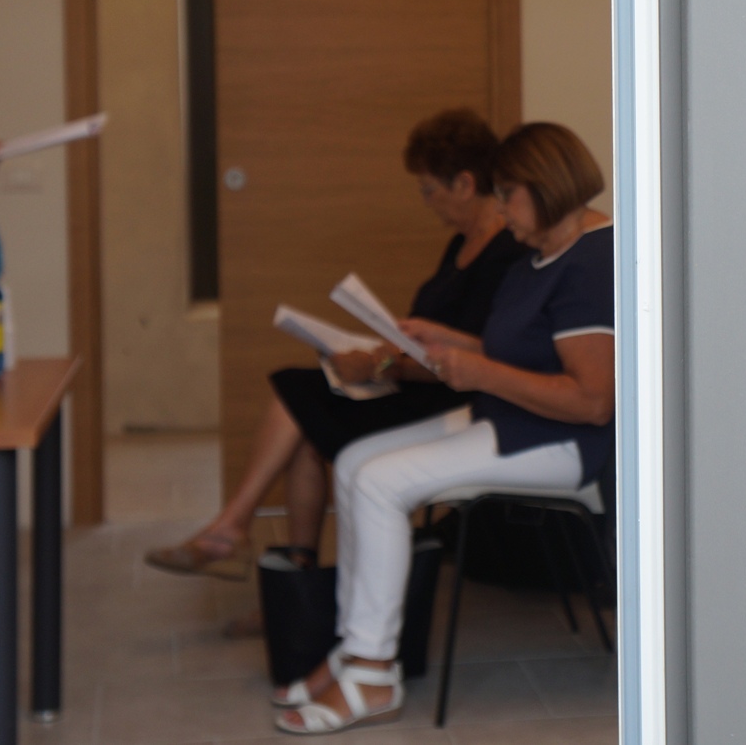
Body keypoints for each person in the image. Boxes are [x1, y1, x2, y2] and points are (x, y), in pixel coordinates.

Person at [274, 122, 614, 734]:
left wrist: (480, 370)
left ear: (545, 187)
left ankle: (373, 674)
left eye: (507, 194)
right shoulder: (541, 252)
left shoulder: (593, 261)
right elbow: (520, 350)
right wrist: (448, 341)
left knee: (379, 483)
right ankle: (354, 647)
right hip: (514, 416)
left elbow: (593, 402)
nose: (500, 209)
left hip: (563, 442)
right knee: (352, 463)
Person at [142, 110, 526, 629]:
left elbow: (473, 357)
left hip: (453, 399)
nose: (426, 201)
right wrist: (376, 357)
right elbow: (419, 339)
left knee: (297, 394)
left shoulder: (505, 255)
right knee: (304, 409)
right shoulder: (460, 245)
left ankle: (237, 531)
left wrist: (379, 363)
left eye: (429, 190)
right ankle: (292, 583)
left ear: (465, 183)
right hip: (417, 383)